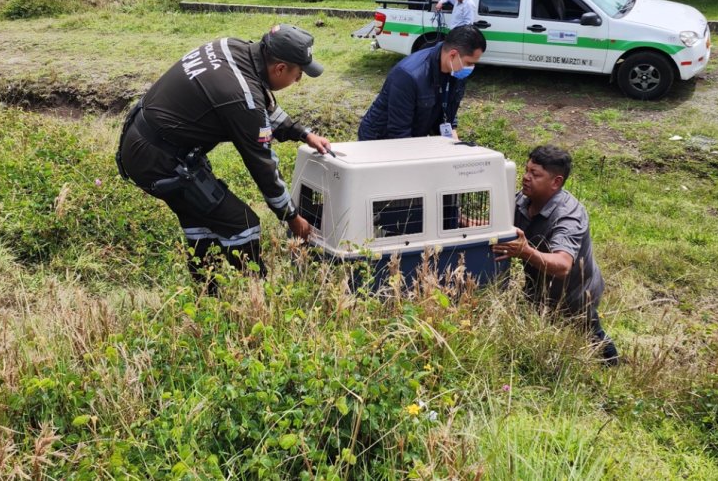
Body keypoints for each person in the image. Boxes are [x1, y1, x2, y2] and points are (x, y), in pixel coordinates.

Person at [117, 24, 333, 291]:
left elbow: (263, 103)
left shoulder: (235, 49)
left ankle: (207, 294)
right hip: (156, 158)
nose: (298, 80)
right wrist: (291, 216)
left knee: (200, 220)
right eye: (298, 74)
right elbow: (262, 164)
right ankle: (257, 295)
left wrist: (303, 134)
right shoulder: (241, 97)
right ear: (279, 68)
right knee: (242, 223)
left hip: (149, 141)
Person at [492, 145, 618, 365]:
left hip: (575, 293)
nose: (526, 178)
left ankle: (611, 363)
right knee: (536, 327)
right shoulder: (523, 200)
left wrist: (525, 251)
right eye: (526, 170)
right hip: (538, 289)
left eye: (535, 174)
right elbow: (497, 226)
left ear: (556, 182)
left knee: (589, 330)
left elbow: (562, 265)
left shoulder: (568, 217)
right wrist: (461, 222)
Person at [357, 25, 486, 141]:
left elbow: (449, 115)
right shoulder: (408, 75)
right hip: (379, 140)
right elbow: (399, 132)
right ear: (453, 55)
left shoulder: (456, 72)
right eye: (469, 63)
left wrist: (454, 146)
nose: (471, 67)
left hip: (414, 137)